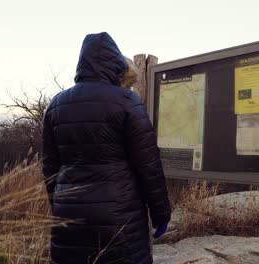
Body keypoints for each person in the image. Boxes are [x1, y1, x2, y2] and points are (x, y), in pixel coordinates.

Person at [41, 32, 171, 264]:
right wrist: (161, 213)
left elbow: (50, 168)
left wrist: (61, 204)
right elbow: (148, 165)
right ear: (115, 64)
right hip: (119, 215)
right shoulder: (126, 101)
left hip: (68, 214)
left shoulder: (56, 104)